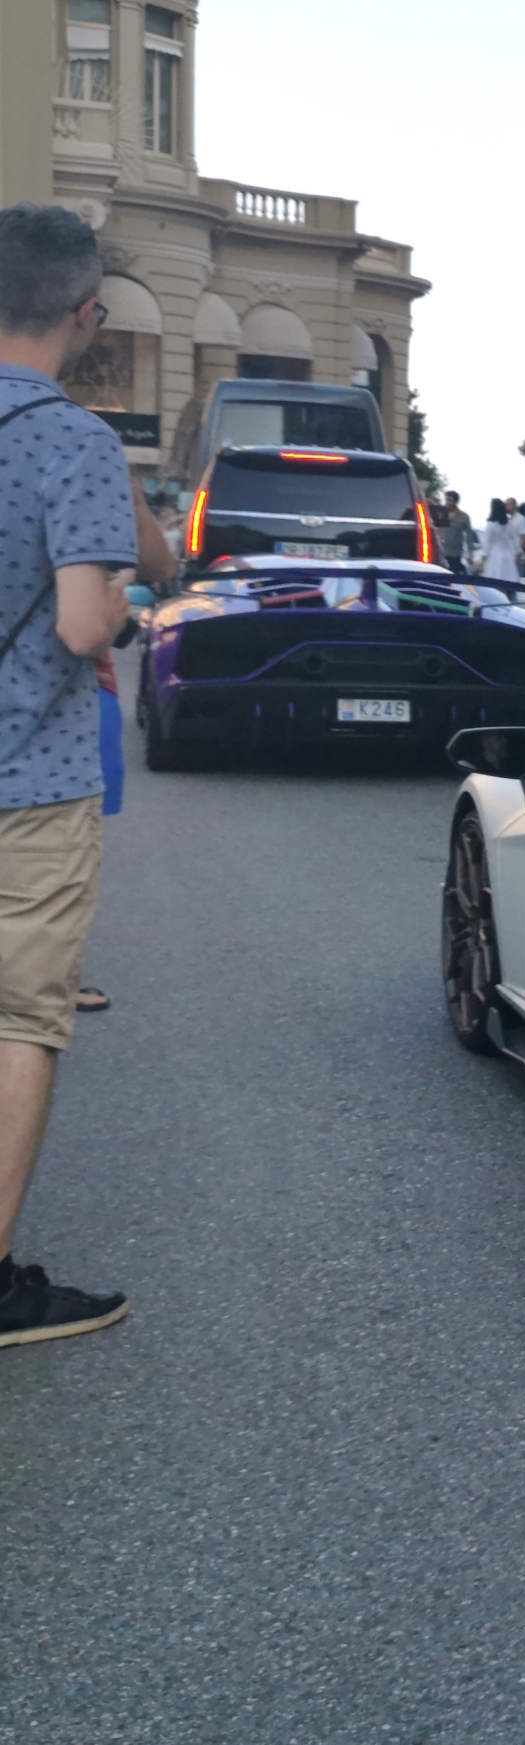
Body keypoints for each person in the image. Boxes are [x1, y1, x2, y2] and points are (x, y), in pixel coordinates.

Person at [0, 201, 139, 1348]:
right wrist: (125, 618)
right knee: (15, 1021)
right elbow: (85, 621)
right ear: (86, 315)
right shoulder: (72, 441)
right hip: (24, 783)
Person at [75, 470, 172, 1019]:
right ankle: (45, 979)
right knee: (65, 850)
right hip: (80, 695)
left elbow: (159, 568)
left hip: (88, 697)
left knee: (66, 850)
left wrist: (132, 501)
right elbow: (91, 631)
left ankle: (47, 973)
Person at [474, 498, 525, 582]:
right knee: (505, 582)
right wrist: (518, 553)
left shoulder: (491, 525)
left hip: (494, 556)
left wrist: (482, 559)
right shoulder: (509, 523)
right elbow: (515, 540)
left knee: (493, 582)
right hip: (508, 556)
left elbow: (487, 543)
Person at [437, 490, 473, 574]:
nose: (447, 502)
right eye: (446, 500)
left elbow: (469, 536)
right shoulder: (440, 514)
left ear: (456, 502)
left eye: (450, 500)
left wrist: (470, 554)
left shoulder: (464, 517)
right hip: (440, 553)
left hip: (455, 554)